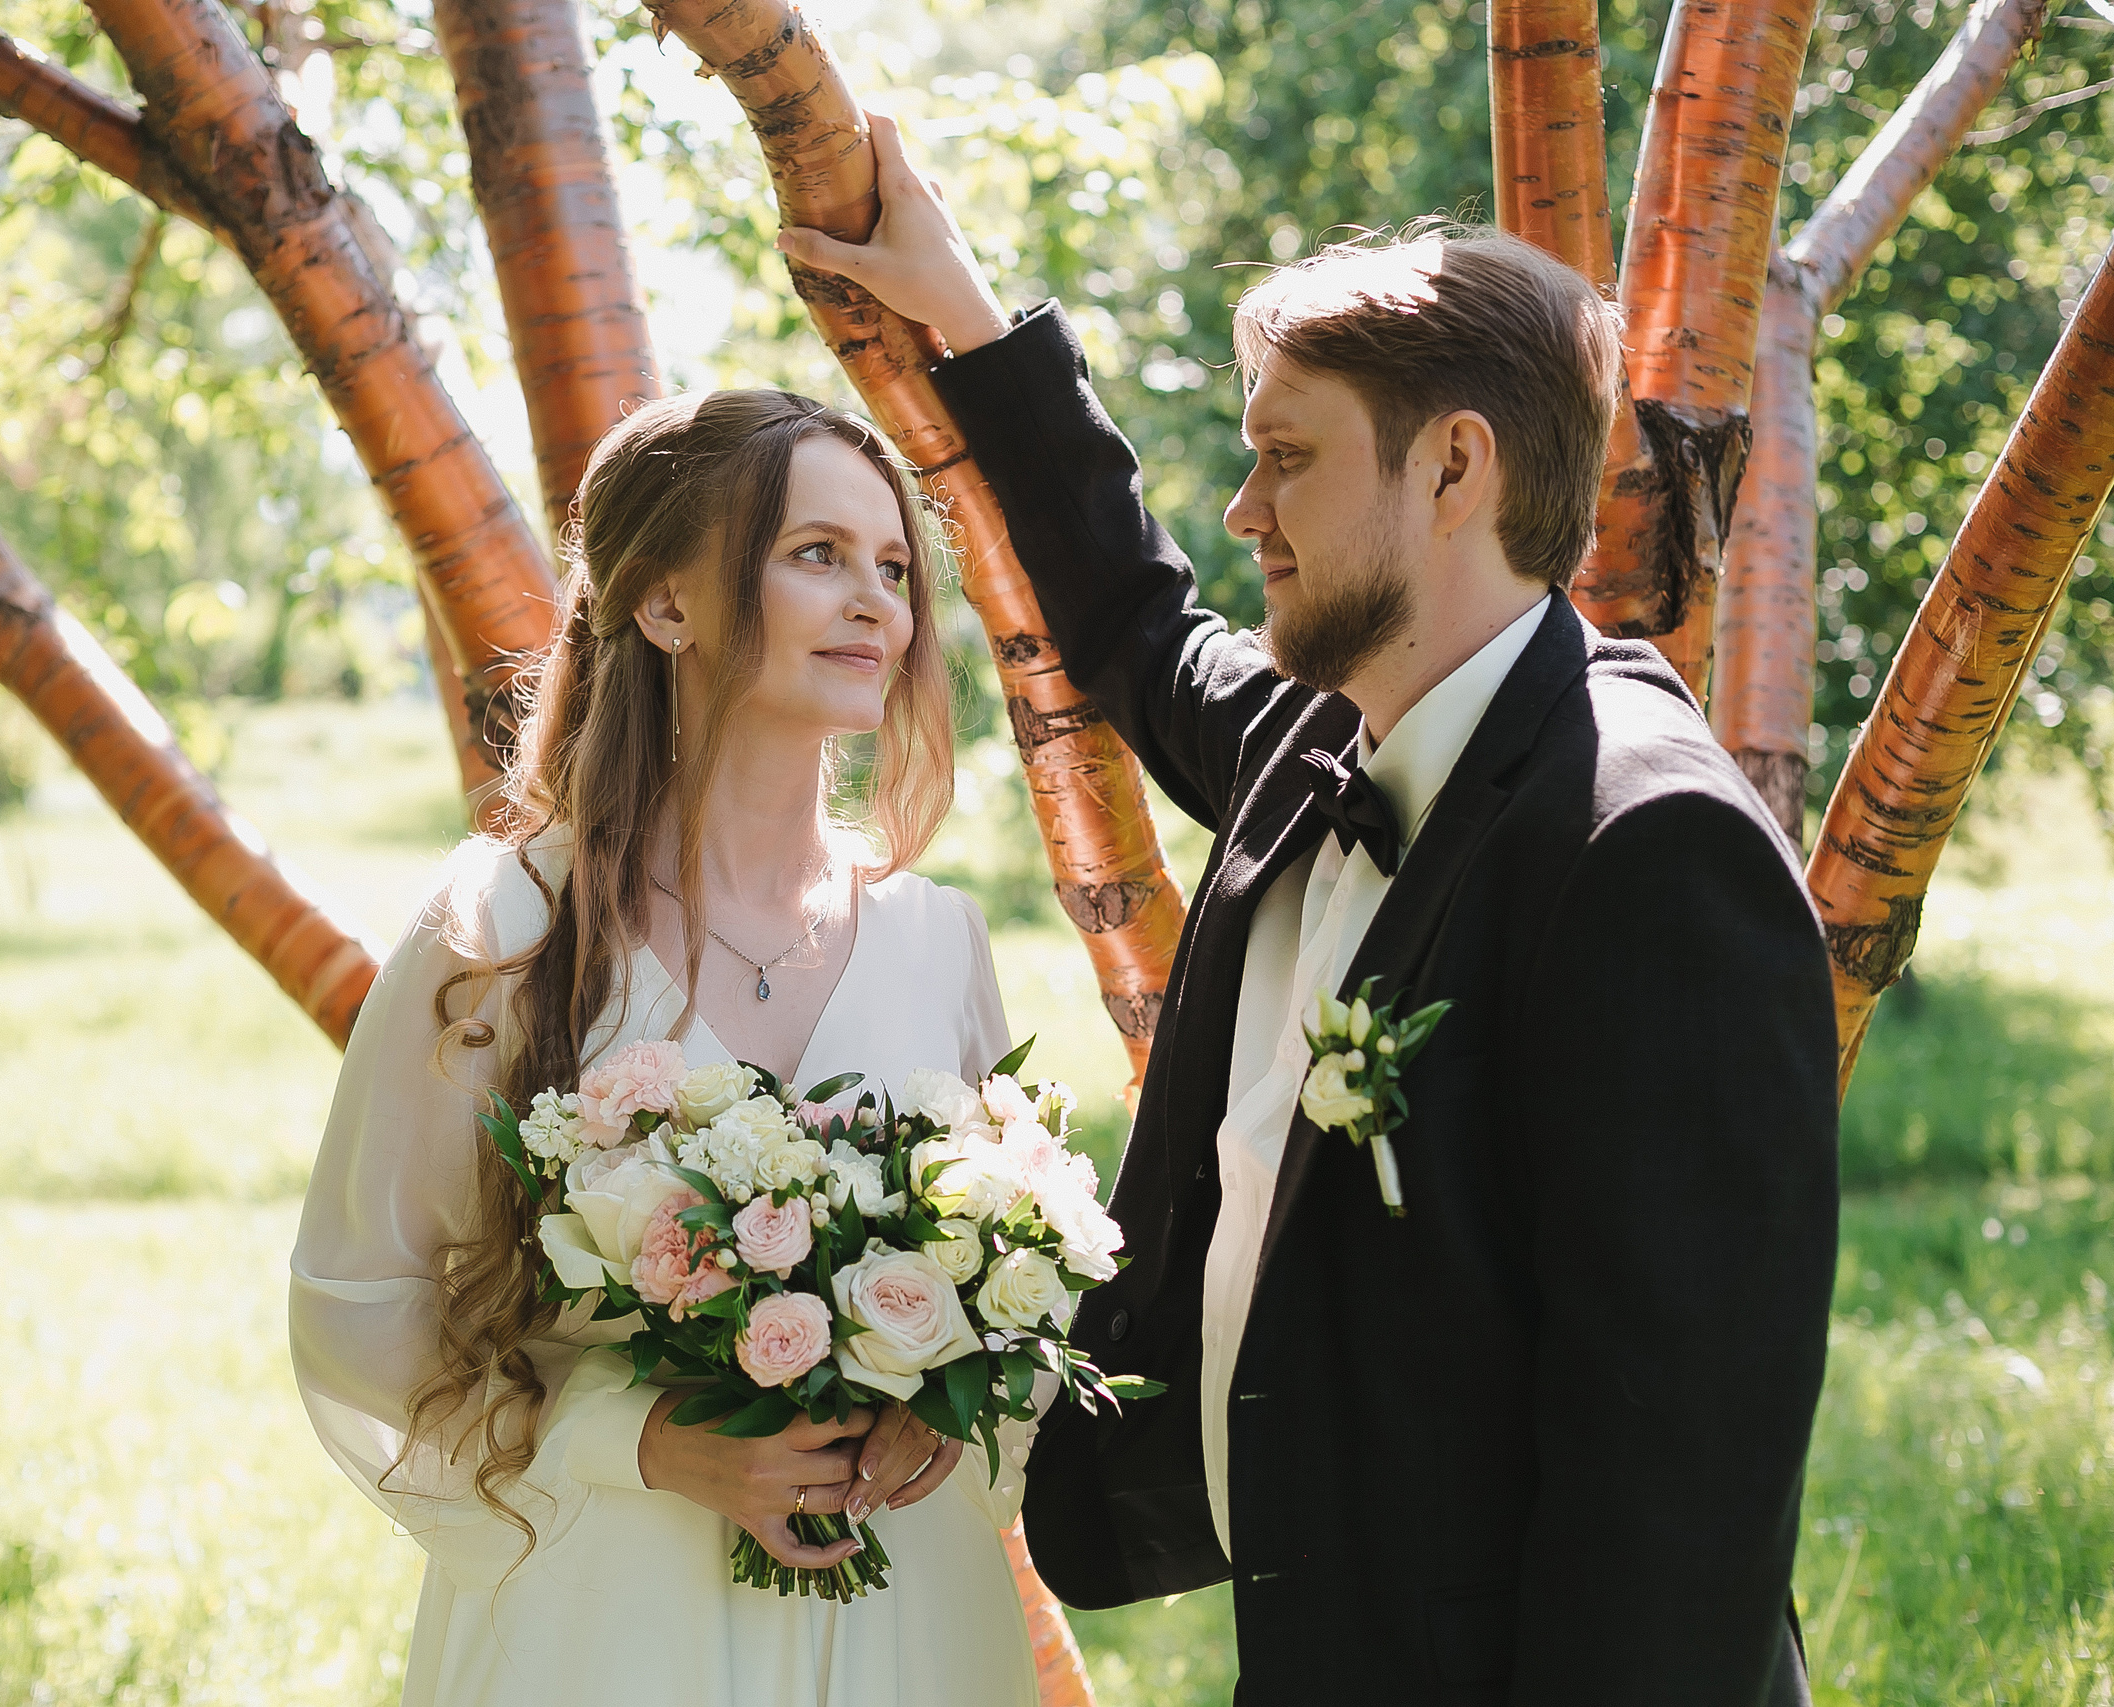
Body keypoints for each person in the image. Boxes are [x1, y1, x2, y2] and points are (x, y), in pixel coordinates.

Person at [780, 116, 1841, 1704]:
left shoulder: (1651, 846)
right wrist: (972, 320)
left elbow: (1682, 1481)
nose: (1245, 510)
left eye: (1290, 457)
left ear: (1456, 466)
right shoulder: (1325, 735)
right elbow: (1136, 622)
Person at [289, 389, 1042, 1707]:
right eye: (816, 554)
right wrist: (643, 1440)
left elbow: (1021, 1289)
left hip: (901, 1623)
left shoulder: (940, 940)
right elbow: (359, 1311)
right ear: (666, 604)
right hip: (605, 1617)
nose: (877, 603)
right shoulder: (501, 928)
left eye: (891, 568)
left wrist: (946, 1395)